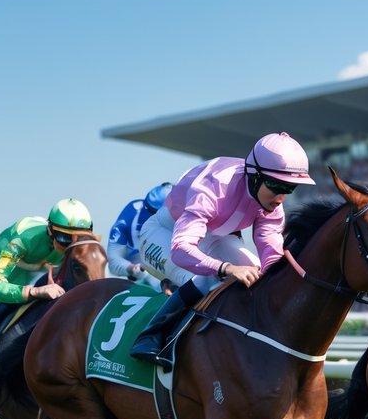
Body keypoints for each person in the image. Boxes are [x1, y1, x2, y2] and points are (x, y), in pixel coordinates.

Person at [130, 132, 315, 368]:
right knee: (203, 279)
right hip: (164, 235)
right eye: (277, 185)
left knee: (255, 273)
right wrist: (224, 268)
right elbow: (181, 249)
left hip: (216, 237)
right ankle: (151, 337)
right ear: (255, 176)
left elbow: (271, 250)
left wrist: (280, 279)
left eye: (289, 188)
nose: (281, 197)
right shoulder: (213, 187)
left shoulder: (269, 202)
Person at [0, 198, 93, 344]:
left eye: (81, 238)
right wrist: (34, 292)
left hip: (45, 265)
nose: (73, 246)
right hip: (16, 264)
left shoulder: (69, 246)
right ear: (50, 231)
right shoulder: (22, 239)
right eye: (65, 238)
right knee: (6, 301)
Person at [107, 182, 171, 290]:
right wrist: (131, 268)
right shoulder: (131, 213)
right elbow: (113, 263)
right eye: (149, 211)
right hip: (138, 277)